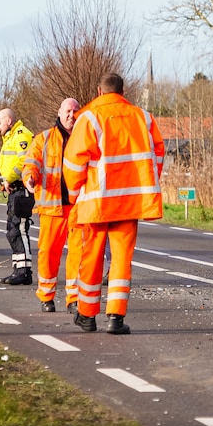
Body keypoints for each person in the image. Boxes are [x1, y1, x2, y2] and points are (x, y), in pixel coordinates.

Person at [63, 74, 164, 334]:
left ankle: (87, 316)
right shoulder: (144, 118)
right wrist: (142, 186)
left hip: (96, 203)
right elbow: (158, 155)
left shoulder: (89, 117)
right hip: (129, 202)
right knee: (121, 260)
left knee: (91, 257)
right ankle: (116, 318)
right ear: (123, 91)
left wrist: (75, 193)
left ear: (99, 91)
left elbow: (73, 161)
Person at [23, 98, 82, 313]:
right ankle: (46, 296)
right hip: (52, 207)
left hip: (79, 207)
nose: (71, 115)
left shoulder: (86, 138)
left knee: (79, 255)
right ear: (59, 112)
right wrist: (29, 177)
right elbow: (32, 162)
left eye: (75, 111)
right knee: (48, 253)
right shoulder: (44, 139)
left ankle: (74, 298)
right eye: (68, 110)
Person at [0, 108, 35, 285]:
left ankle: (25, 271)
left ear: (8, 121)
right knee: (12, 230)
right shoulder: (10, 137)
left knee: (19, 229)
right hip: (14, 189)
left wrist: (9, 179)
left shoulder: (21, 135)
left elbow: (24, 161)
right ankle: (18, 268)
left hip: (22, 188)